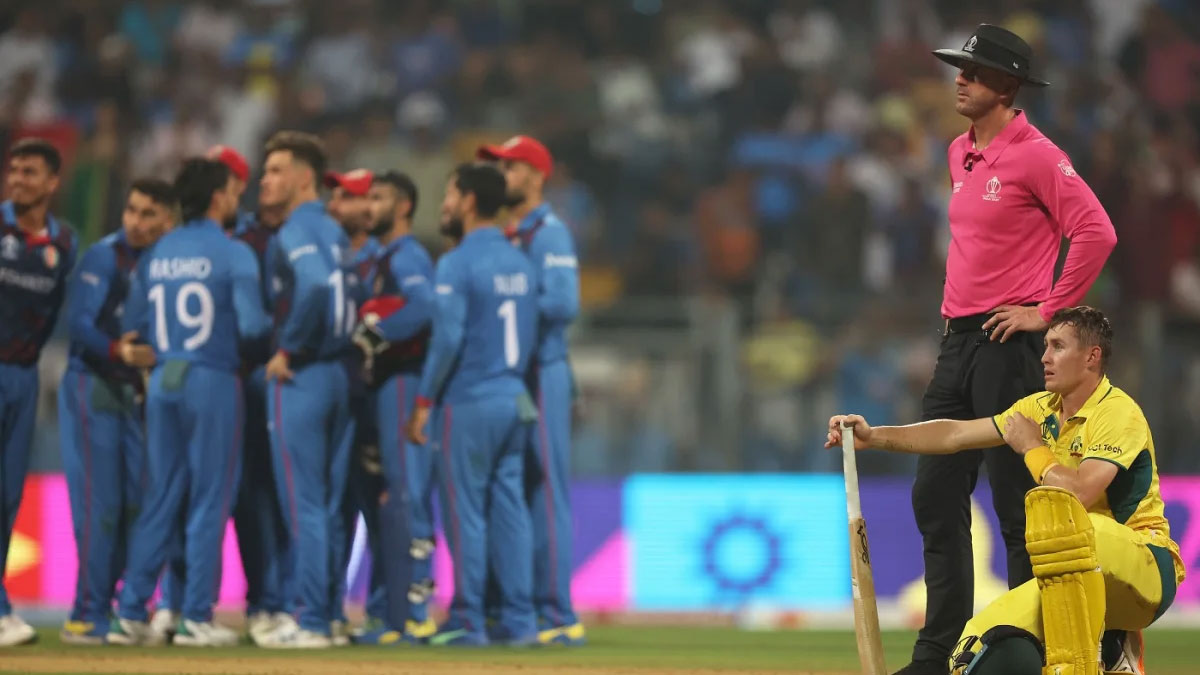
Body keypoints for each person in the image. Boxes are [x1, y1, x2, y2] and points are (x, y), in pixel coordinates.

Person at [897, 25, 1118, 674]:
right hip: (956, 342)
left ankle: (1038, 653)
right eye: (960, 68)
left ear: (1008, 85)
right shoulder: (958, 152)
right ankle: (937, 655)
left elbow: (1096, 231)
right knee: (935, 497)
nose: (960, 79)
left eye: (974, 70)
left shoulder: (1038, 156)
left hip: (1008, 345)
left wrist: (1045, 311)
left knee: (1022, 508)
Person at [827, 307, 1184, 675]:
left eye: (1058, 346)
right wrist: (875, 436)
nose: (1044, 357)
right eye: (1045, 345)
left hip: (1144, 567)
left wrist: (1032, 447)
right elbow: (955, 434)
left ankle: (1105, 647)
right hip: (1074, 571)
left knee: (1072, 526)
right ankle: (1109, 650)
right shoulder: (1039, 408)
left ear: (1091, 357)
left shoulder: (1117, 413)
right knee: (974, 648)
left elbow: (1079, 493)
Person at [110, 158, 271, 646]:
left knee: (161, 497)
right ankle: (197, 616)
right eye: (232, 192)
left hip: (164, 379)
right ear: (219, 197)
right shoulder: (234, 252)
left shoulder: (159, 252)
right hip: (212, 378)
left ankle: (130, 613)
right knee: (210, 498)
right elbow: (253, 326)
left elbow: (133, 324)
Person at [406, 163, 538, 646]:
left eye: (448, 194)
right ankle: (520, 621)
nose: (444, 204)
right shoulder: (521, 263)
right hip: (515, 398)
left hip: (470, 400)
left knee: (466, 514)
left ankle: (467, 619)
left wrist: (424, 400)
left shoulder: (457, 263)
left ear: (467, 200)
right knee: (510, 511)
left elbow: (447, 339)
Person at [58, 178, 174, 645]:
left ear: (168, 220)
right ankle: (86, 614)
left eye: (148, 214)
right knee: (99, 506)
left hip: (136, 393)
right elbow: (79, 324)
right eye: (131, 210)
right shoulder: (105, 256)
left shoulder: (165, 262)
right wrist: (118, 351)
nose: (136, 222)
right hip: (94, 385)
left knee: (136, 505)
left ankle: (120, 608)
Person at [477, 135, 583, 645]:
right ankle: (513, 605)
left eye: (510, 166)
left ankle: (557, 613)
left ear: (538, 176)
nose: (502, 175)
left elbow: (563, 303)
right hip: (512, 374)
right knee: (513, 491)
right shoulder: (510, 233)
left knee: (545, 490)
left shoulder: (549, 233)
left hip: (541, 370)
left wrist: (504, 307)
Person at [257, 131, 359, 648]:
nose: (264, 180)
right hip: (341, 375)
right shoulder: (334, 231)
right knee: (331, 506)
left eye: (275, 170)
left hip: (304, 375)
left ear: (303, 179)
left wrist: (289, 349)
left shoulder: (296, 228)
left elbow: (315, 284)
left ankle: (310, 619)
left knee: (305, 505)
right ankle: (331, 614)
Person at [351, 170, 436, 643]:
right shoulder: (377, 257)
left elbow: (424, 306)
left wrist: (377, 333)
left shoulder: (407, 255)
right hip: (380, 384)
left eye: (379, 198)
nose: (369, 206)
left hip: (403, 380)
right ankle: (385, 613)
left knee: (406, 494)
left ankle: (413, 614)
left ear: (403, 207)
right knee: (384, 503)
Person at [0, 138, 76, 647]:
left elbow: (58, 313)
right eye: (14, 170)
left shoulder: (64, 244)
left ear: (52, 183)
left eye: (29, 172)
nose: (17, 179)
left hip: (24, 376)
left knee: (8, 497)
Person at [323, 167, 378, 647]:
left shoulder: (382, 258)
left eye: (348, 196)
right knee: (333, 505)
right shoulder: (326, 253)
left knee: (378, 507)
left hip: (376, 399)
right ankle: (328, 606)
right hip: (336, 392)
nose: (335, 204)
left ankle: (384, 610)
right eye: (335, 194)